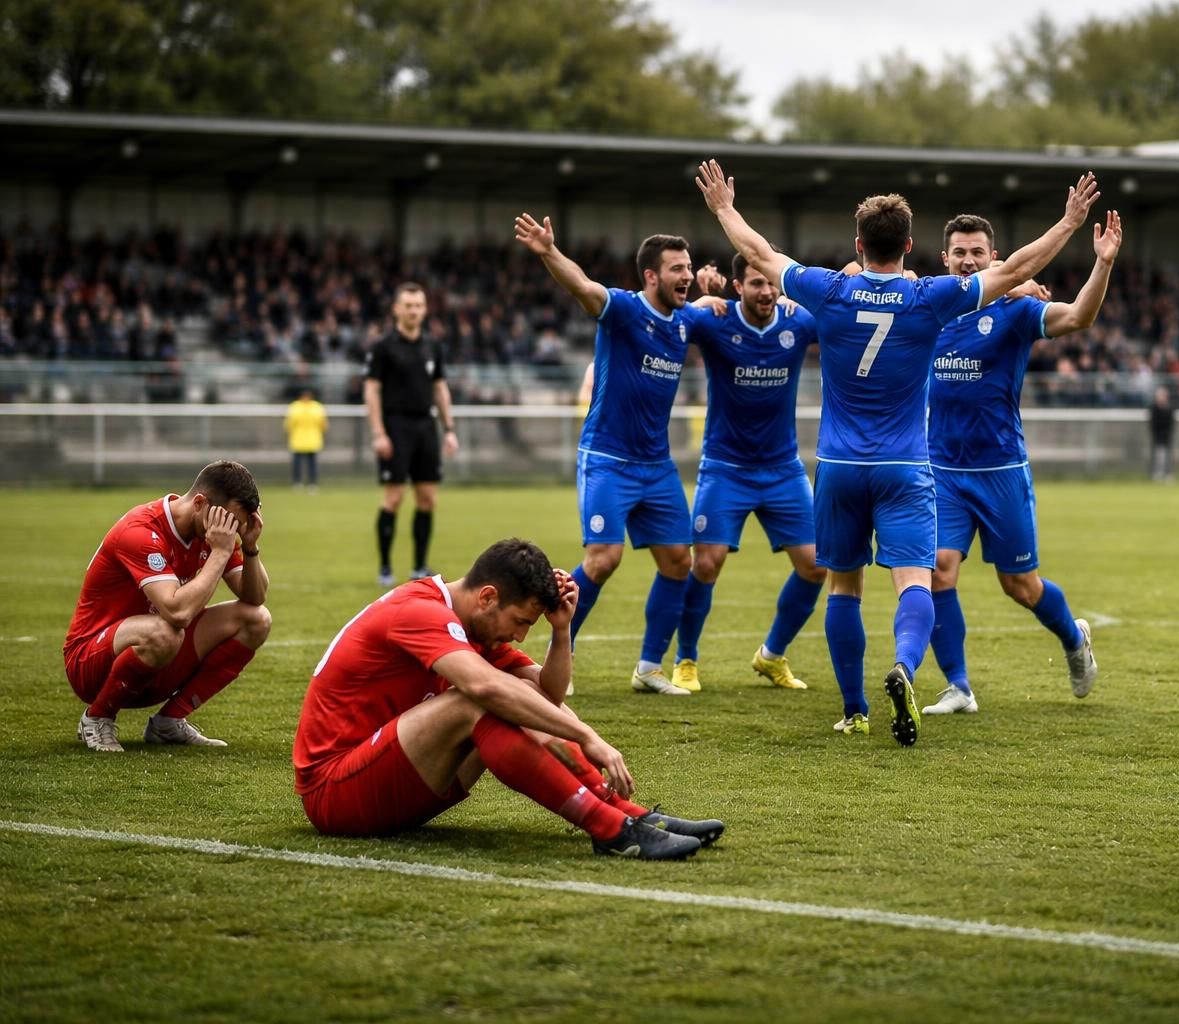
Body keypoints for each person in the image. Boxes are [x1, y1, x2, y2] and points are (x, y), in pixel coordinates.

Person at [696, 159, 1099, 744]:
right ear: (910, 246)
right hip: (907, 466)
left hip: (838, 467)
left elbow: (759, 252)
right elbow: (1017, 267)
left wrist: (724, 209)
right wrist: (1067, 223)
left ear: (859, 245)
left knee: (843, 586)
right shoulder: (930, 299)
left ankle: (855, 709)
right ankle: (908, 668)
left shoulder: (828, 289)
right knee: (917, 581)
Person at [293, 538, 722, 859]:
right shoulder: (419, 610)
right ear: (487, 597)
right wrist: (588, 736)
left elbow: (547, 696)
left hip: (392, 779)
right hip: (335, 793)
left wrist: (560, 630)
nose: (519, 635)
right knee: (478, 698)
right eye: (519, 622)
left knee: (514, 696)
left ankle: (628, 815)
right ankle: (610, 828)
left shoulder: (470, 622)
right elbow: (485, 690)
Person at [920, 210, 1122, 717]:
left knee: (1021, 587)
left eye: (977, 253)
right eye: (959, 253)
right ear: (946, 260)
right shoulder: (927, 309)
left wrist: (1102, 265)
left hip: (1001, 470)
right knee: (940, 572)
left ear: (994, 259)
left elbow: (1078, 317)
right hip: (941, 469)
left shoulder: (1014, 311)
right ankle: (959, 687)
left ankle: (1073, 637)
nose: (968, 261)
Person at [513, 214, 723, 696]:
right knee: (604, 559)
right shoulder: (625, 311)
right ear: (651, 276)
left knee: (678, 562)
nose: (685, 276)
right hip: (607, 457)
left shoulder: (684, 320)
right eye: (677, 269)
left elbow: (709, 306)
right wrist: (548, 250)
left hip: (657, 466)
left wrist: (712, 288)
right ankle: (554, 662)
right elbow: (584, 287)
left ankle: (649, 668)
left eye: (689, 268)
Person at [671, 250, 826, 692]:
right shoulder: (717, 321)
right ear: (737, 286)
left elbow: (844, 311)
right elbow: (671, 317)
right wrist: (702, 299)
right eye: (757, 283)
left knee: (816, 566)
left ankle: (772, 655)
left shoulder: (797, 324)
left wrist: (808, 298)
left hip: (783, 468)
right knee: (706, 563)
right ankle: (686, 659)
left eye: (772, 283)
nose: (767, 292)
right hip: (725, 468)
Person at [64, 460, 272, 752]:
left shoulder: (214, 530)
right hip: (91, 662)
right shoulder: (141, 530)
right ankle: (97, 717)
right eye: (229, 523)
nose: (230, 531)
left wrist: (250, 547)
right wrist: (221, 553)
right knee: (166, 630)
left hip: (159, 657)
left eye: (236, 526)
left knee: (256, 619)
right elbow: (178, 612)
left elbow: (255, 597)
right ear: (200, 503)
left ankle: (168, 722)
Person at [364, 282, 460, 587]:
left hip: (426, 427)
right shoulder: (383, 347)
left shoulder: (433, 346)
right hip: (395, 427)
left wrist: (449, 429)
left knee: (428, 498)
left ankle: (419, 566)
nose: (414, 311)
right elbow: (372, 389)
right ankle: (384, 567)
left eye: (418, 306)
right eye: (408, 305)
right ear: (397, 309)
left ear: (425, 309)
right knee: (393, 497)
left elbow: (440, 388)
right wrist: (379, 432)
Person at [284, 386, 328, 490]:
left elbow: (288, 425)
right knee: (298, 465)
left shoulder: (298, 407)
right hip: (300, 440)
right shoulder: (313, 407)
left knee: (311, 465)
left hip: (309, 440)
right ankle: (299, 483)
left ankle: (311, 483)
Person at [1148, 386, 1175, 482]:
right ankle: (1157, 475)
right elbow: (1153, 423)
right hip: (1157, 435)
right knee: (1158, 455)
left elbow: (1171, 423)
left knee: (1166, 456)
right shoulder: (1154, 408)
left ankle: (1168, 474)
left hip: (1166, 435)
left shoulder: (1169, 408)